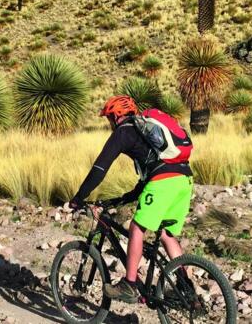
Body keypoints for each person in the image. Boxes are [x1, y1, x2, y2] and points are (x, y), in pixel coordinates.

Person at [69, 96, 194, 303]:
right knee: (166, 234)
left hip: (163, 181)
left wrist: (79, 197)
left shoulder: (123, 131)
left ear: (116, 115)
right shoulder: (144, 130)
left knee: (137, 228)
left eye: (109, 118)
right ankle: (187, 289)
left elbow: (100, 168)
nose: (109, 123)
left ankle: (130, 284)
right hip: (184, 179)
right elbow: (151, 169)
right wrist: (126, 197)